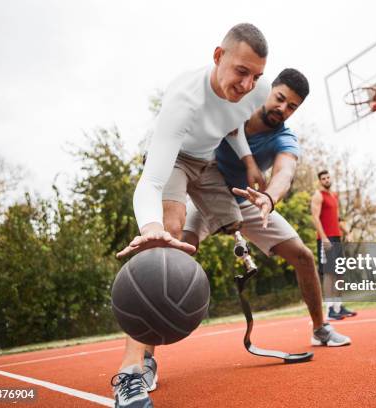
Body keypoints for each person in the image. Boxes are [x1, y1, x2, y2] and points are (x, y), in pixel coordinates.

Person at [113, 23, 270, 408]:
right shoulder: (183, 100)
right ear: (218, 57)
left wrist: (248, 160)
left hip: (210, 164)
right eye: (241, 72)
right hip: (177, 161)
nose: (249, 84)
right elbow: (150, 181)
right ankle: (134, 369)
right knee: (167, 235)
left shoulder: (258, 90)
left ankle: (200, 234)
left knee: (237, 223)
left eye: (256, 75)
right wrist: (150, 230)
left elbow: (233, 124)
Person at [183, 68, 351, 350]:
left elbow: (285, 171)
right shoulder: (235, 107)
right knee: (176, 253)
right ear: (268, 90)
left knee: (303, 256)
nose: (283, 108)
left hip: (249, 200)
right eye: (280, 98)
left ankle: (320, 329)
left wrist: (269, 198)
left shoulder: (284, 138)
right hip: (207, 195)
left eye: (292, 107)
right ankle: (145, 358)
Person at [311, 170, 357, 320]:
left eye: (328, 177)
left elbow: (337, 219)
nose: (326, 180)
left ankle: (339, 306)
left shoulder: (334, 196)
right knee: (329, 273)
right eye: (323, 178)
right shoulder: (318, 195)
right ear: (320, 181)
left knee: (339, 273)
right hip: (326, 239)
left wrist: (348, 232)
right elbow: (315, 219)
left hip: (337, 237)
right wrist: (324, 238)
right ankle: (330, 310)